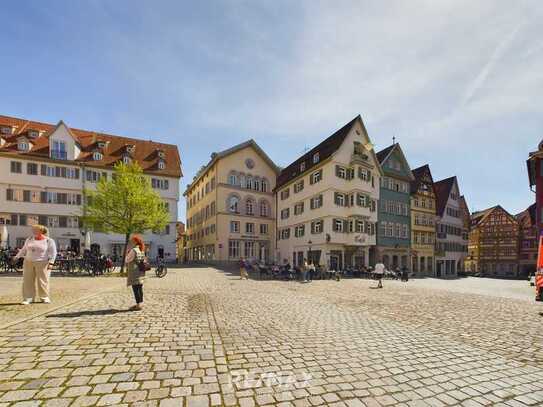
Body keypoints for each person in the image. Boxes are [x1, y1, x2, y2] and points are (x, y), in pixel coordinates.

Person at [13, 224, 57, 305]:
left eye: (35, 229)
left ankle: (44, 297)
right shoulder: (29, 239)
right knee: (27, 280)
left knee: (43, 281)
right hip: (28, 262)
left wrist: (51, 263)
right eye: (33, 229)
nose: (33, 231)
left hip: (42, 263)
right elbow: (23, 250)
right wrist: (17, 256)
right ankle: (28, 298)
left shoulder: (49, 240)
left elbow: (53, 253)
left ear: (40, 230)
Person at [125, 235, 147, 311]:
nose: (131, 242)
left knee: (135, 288)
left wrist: (127, 252)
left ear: (135, 242)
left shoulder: (133, 250)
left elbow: (127, 260)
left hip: (135, 271)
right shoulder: (141, 250)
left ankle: (138, 305)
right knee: (140, 288)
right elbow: (143, 260)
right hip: (141, 271)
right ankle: (140, 304)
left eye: (132, 241)